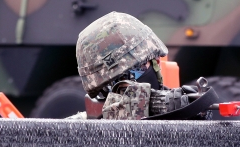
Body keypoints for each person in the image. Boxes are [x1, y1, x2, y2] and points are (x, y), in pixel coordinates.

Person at [71, 11, 211, 121]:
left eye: (138, 69)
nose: (130, 85)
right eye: (116, 81)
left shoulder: (178, 106)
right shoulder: (79, 129)